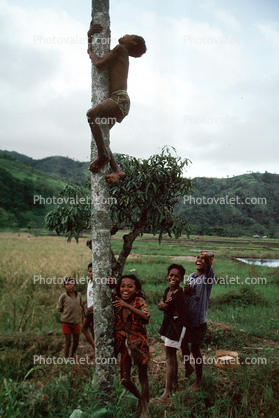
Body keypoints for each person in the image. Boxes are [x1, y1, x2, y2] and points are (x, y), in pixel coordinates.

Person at [86, 22, 147, 184]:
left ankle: (103, 156)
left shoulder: (120, 49)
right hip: (122, 101)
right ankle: (117, 170)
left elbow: (98, 63)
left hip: (118, 99)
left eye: (128, 35)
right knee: (103, 135)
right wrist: (90, 37)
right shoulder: (121, 52)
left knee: (91, 115)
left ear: (132, 42)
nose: (125, 35)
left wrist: (90, 49)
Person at [113, 274, 150, 418]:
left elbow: (146, 317)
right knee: (124, 380)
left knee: (143, 376)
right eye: (122, 286)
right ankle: (141, 398)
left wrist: (127, 305)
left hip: (139, 344)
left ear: (136, 289)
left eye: (130, 286)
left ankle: (146, 409)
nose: (125, 289)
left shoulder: (139, 301)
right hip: (123, 345)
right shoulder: (115, 302)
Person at [152, 264, 189, 404]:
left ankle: (167, 393)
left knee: (170, 357)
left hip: (176, 326)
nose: (173, 278)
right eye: (171, 275)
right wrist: (161, 304)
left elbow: (164, 305)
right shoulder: (168, 290)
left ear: (181, 278)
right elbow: (162, 304)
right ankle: (175, 386)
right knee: (171, 356)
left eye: (177, 276)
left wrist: (161, 304)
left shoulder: (179, 293)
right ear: (168, 276)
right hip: (169, 324)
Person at [181, 252, 214, 392]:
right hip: (187, 318)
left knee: (195, 349)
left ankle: (198, 381)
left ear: (208, 263)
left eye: (203, 259)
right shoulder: (190, 276)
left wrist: (208, 256)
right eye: (198, 258)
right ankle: (188, 367)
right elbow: (188, 296)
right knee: (182, 344)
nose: (199, 260)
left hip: (198, 321)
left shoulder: (207, 278)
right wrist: (186, 291)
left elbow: (209, 266)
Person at [57, 277, 83, 359]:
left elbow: (81, 306)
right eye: (66, 284)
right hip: (66, 322)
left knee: (76, 341)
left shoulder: (78, 295)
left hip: (76, 322)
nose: (69, 286)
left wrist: (81, 319)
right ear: (64, 286)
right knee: (68, 341)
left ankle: (72, 356)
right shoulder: (63, 296)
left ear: (75, 285)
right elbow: (59, 307)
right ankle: (66, 359)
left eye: (70, 284)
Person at [81, 262, 95, 357]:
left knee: (84, 328)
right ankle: (96, 350)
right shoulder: (90, 282)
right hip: (89, 309)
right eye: (90, 271)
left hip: (94, 311)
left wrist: (94, 307)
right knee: (93, 330)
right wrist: (85, 302)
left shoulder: (97, 283)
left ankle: (96, 350)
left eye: (93, 271)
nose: (91, 273)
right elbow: (92, 296)